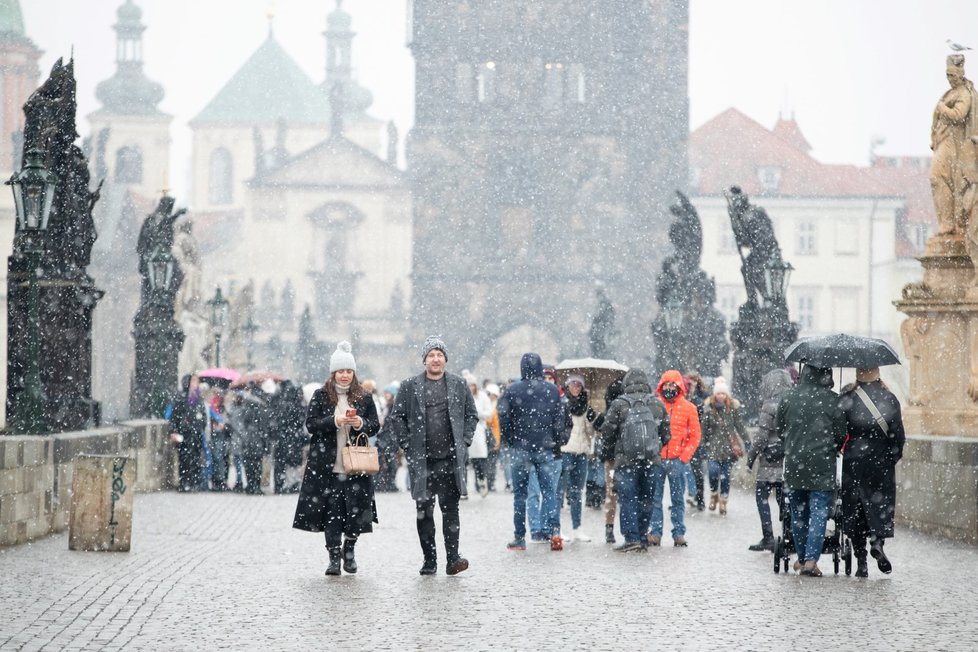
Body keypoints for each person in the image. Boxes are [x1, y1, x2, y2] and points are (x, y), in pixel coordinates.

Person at [388, 336, 478, 576]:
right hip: (422, 460)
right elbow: (397, 417)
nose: (435, 359)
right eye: (431, 355)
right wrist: (407, 444)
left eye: (439, 355)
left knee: (451, 510)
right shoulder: (410, 386)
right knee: (425, 512)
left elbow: (471, 415)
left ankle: (453, 559)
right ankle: (429, 560)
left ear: (445, 359)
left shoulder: (459, 384)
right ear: (425, 360)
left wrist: (465, 440)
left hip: (450, 460)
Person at [293, 342, 380, 576]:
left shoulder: (363, 396)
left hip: (356, 466)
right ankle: (333, 557)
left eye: (348, 371)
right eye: (341, 371)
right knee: (332, 514)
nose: (345, 375)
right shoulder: (321, 396)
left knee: (355, 512)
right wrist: (334, 421)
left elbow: (375, 426)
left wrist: (359, 422)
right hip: (328, 466)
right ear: (333, 373)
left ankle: (349, 549)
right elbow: (311, 425)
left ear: (353, 373)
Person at [776, 365, 846, 577]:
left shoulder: (788, 397)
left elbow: (780, 429)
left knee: (797, 512)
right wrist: (831, 448)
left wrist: (793, 445)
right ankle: (810, 560)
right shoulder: (833, 400)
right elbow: (841, 433)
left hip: (795, 464)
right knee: (819, 512)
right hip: (822, 466)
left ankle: (801, 555)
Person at [839, 367, 906, 577]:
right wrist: (891, 458)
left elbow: (839, 431)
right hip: (881, 459)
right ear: (877, 375)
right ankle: (877, 541)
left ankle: (861, 562)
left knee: (856, 507)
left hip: (854, 460)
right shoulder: (890, 398)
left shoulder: (848, 397)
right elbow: (898, 435)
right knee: (880, 503)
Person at [498, 353, 566, 552]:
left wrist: (511, 439)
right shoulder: (552, 390)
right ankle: (554, 532)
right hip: (545, 447)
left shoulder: (512, 391)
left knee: (521, 495)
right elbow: (560, 419)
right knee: (549, 492)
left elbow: (503, 417)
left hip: (521, 447)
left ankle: (519, 537)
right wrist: (555, 441)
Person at [601, 369, 670, 552]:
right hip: (652, 461)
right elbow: (667, 435)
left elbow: (607, 432)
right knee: (647, 499)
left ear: (626, 384)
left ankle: (631, 538)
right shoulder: (656, 403)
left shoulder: (619, 404)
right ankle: (643, 537)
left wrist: (615, 449)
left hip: (626, 460)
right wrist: (653, 448)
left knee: (628, 498)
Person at [651, 370, 701, 547]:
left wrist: (683, 458)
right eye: (667, 385)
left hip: (676, 460)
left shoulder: (689, 408)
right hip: (657, 459)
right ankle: (655, 532)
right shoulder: (655, 405)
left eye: (673, 385)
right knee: (655, 498)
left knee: (677, 500)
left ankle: (678, 533)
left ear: (679, 387)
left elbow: (695, 436)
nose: (669, 388)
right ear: (661, 386)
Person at [930, 54, 978, 237]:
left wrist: (943, 108)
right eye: (948, 75)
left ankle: (950, 223)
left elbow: (959, 114)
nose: (950, 79)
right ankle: (947, 222)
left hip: (954, 144)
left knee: (940, 177)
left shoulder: (964, 93)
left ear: (960, 74)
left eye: (953, 75)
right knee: (940, 179)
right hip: (944, 141)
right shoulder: (951, 93)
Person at [746, 369, 794, 552]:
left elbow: (761, 437)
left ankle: (768, 537)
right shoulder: (792, 403)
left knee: (762, 498)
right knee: (786, 501)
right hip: (787, 461)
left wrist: (751, 458)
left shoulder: (769, 406)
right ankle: (788, 536)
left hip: (769, 462)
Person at [699, 377, 749, 516]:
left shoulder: (732, 410)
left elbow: (740, 426)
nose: (721, 396)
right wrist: (702, 445)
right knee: (713, 473)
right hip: (713, 448)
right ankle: (714, 493)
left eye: (723, 393)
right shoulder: (709, 410)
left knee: (726, 477)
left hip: (728, 449)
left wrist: (747, 441)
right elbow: (703, 430)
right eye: (719, 393)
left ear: (726, 395)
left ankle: (723, 501)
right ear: (715, 394)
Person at [560, 375, 597, 542]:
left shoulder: (586, 406)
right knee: (559, 492)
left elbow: (594, 430)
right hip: (565, 450)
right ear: (567, 387)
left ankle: (577, 527)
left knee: (576, 492)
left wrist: (593, 419)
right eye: (573, 385)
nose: (576, 389)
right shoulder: (562, 404)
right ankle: (556, 528)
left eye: (579, 386)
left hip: (581, 452)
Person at [593, 378, 624, 544]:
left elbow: (602, 429)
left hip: (612, 458)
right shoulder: (628, 410)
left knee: (611, 494)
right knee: (625, 494)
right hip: (626, 458)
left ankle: (609, 528)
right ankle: (627, 528)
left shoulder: (608, 412)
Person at [167, 374, 208, 492]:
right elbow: (174, 417)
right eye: (194, 382)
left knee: (195, 459)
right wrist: (174, 431)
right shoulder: (180, 397)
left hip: (195, 435)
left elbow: (203, 416)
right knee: (184, 459)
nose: (196, 385)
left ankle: (193, 482)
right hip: (184, 434)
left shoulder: (198, 399)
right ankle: (184, 482)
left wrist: (200, 426)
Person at [683, 373, 710, 511]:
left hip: (695, 439)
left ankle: (699, 498)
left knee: (696, 470)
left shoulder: (700, 400)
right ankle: (689, 496)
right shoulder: (683, 399)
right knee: (684, 470)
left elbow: (702, 421)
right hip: (684, 438)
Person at [465, 374, 493, 497]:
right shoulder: (461, 396)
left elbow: (489, 413)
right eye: (468, 385)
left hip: (478, 430)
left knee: (479, 461)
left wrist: (477, 413)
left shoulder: (482, 396)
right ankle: (463, 488)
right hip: (464, 431)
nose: (470, 387)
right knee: (463, 462)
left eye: (472, 385)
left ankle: (481, 482)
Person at [484, 383, 502, 492]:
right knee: (484, 462)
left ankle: (490, 482)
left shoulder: (497, 407)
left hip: (492, 437)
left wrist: (497, 441)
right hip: (484, 436)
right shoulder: (485, 404)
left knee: (491, 463)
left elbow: (496, 426)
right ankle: (483, 482)